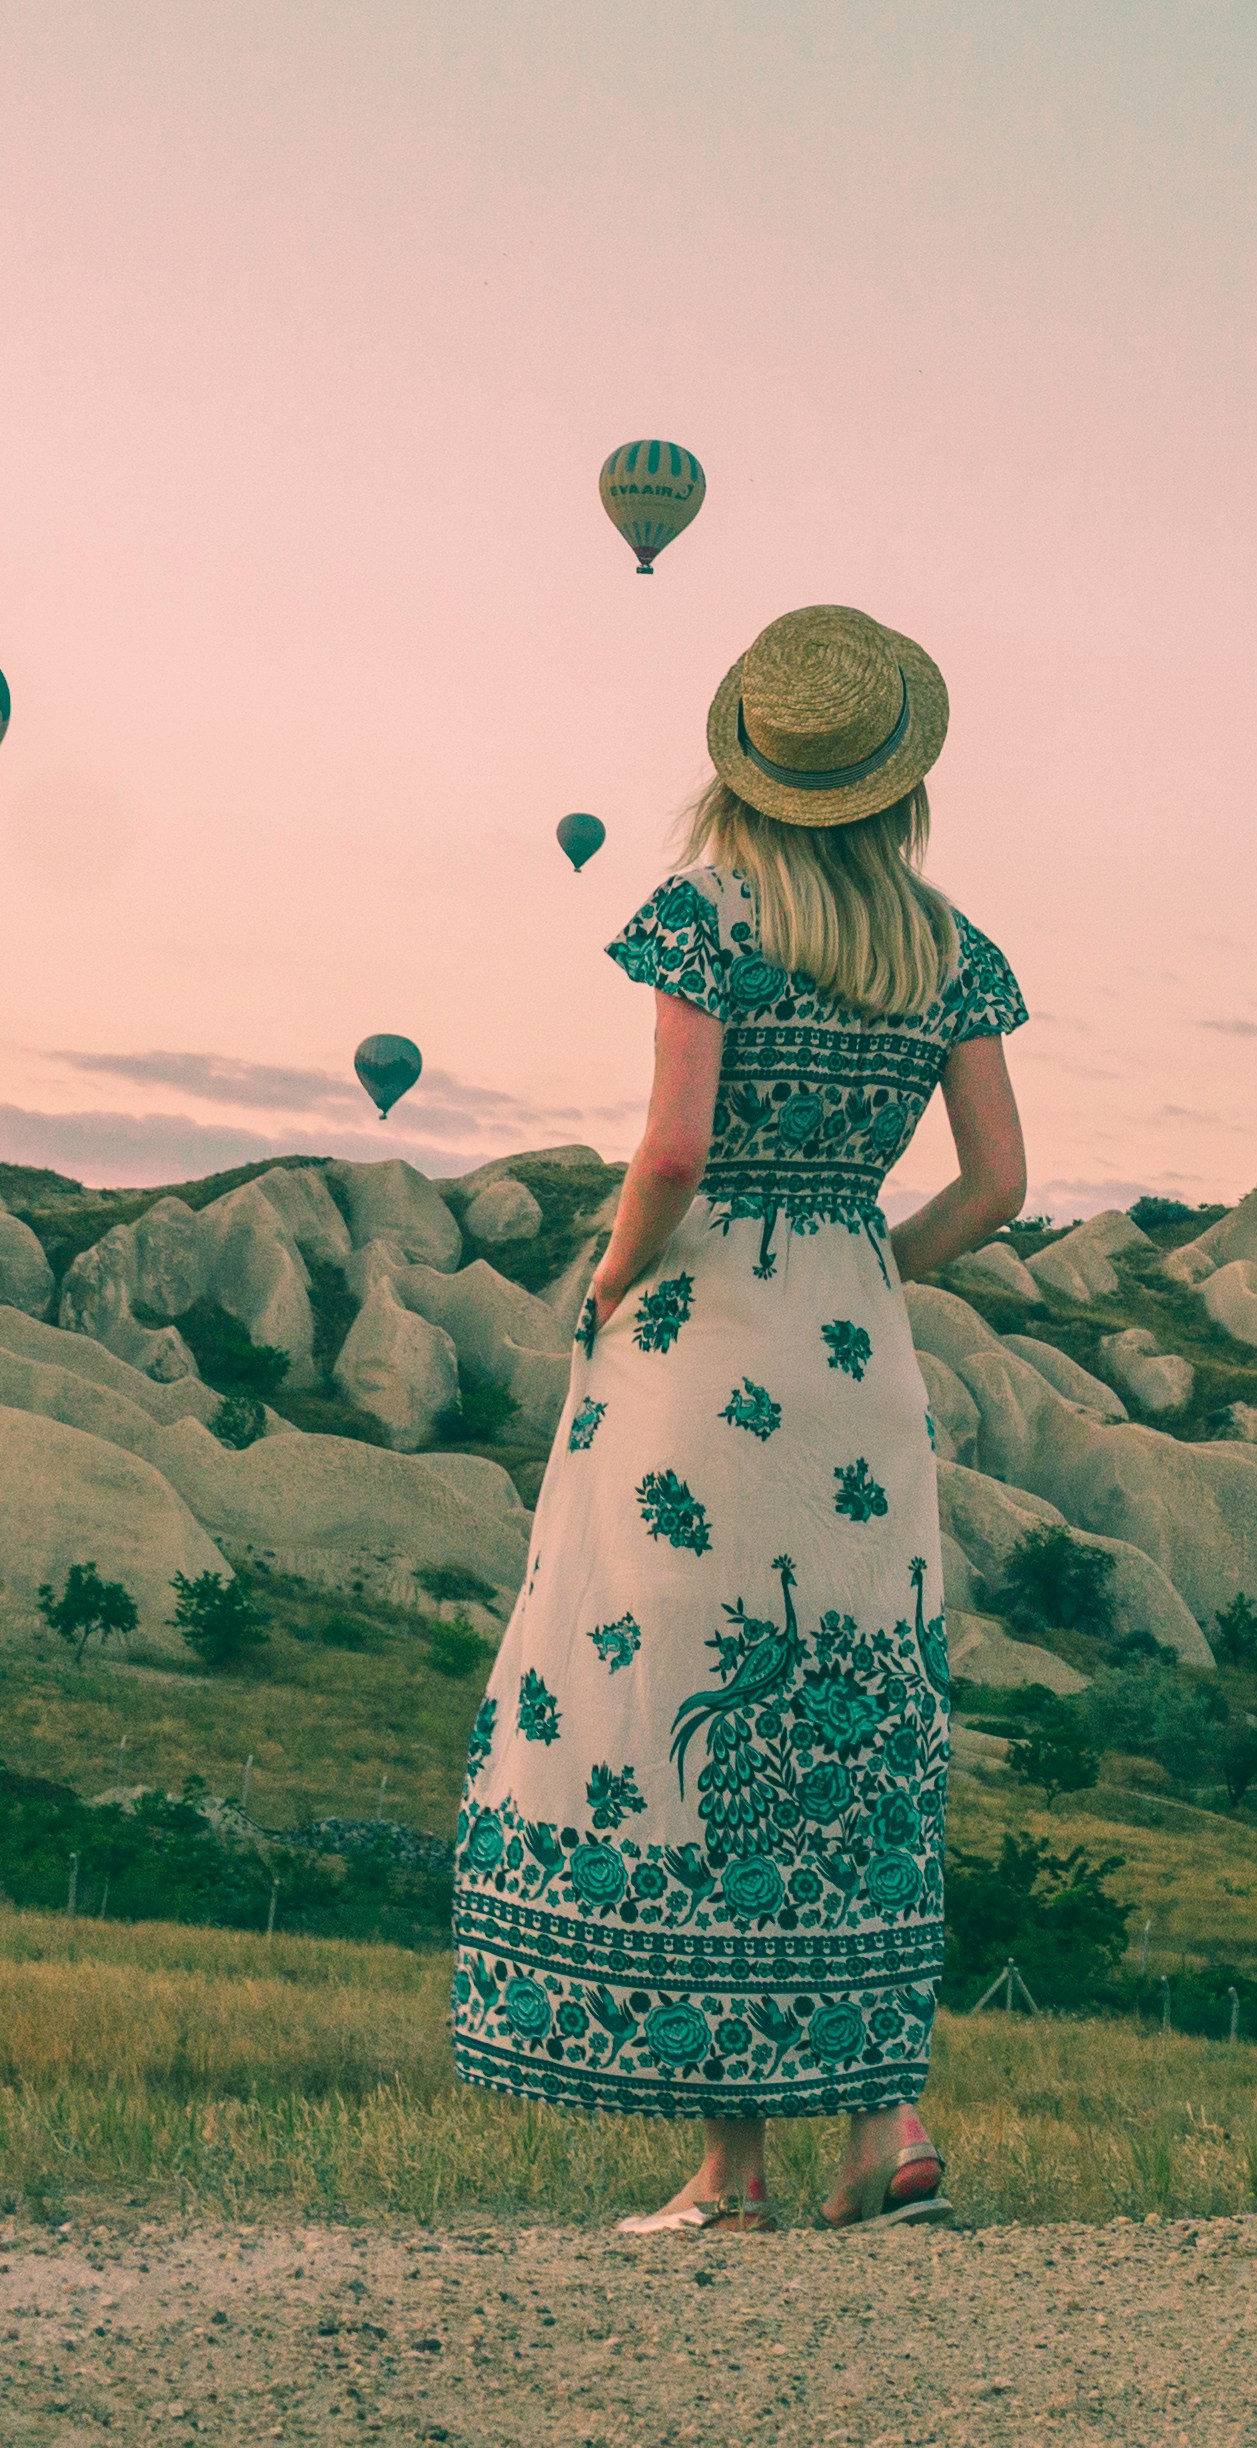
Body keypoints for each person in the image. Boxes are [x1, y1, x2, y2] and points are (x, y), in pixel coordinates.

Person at [446, 602, 1034, 2233]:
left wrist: (606, 1284)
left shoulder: (705, 914)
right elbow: (1002, 1184)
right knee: (858, 1708)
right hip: (857, 1357)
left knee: (695, 1700)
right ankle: (886, 2128)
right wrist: (872, 1265)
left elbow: (673, 1152)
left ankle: (731, 2172)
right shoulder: (949, 943)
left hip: (704, 1350)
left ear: (746, 769)